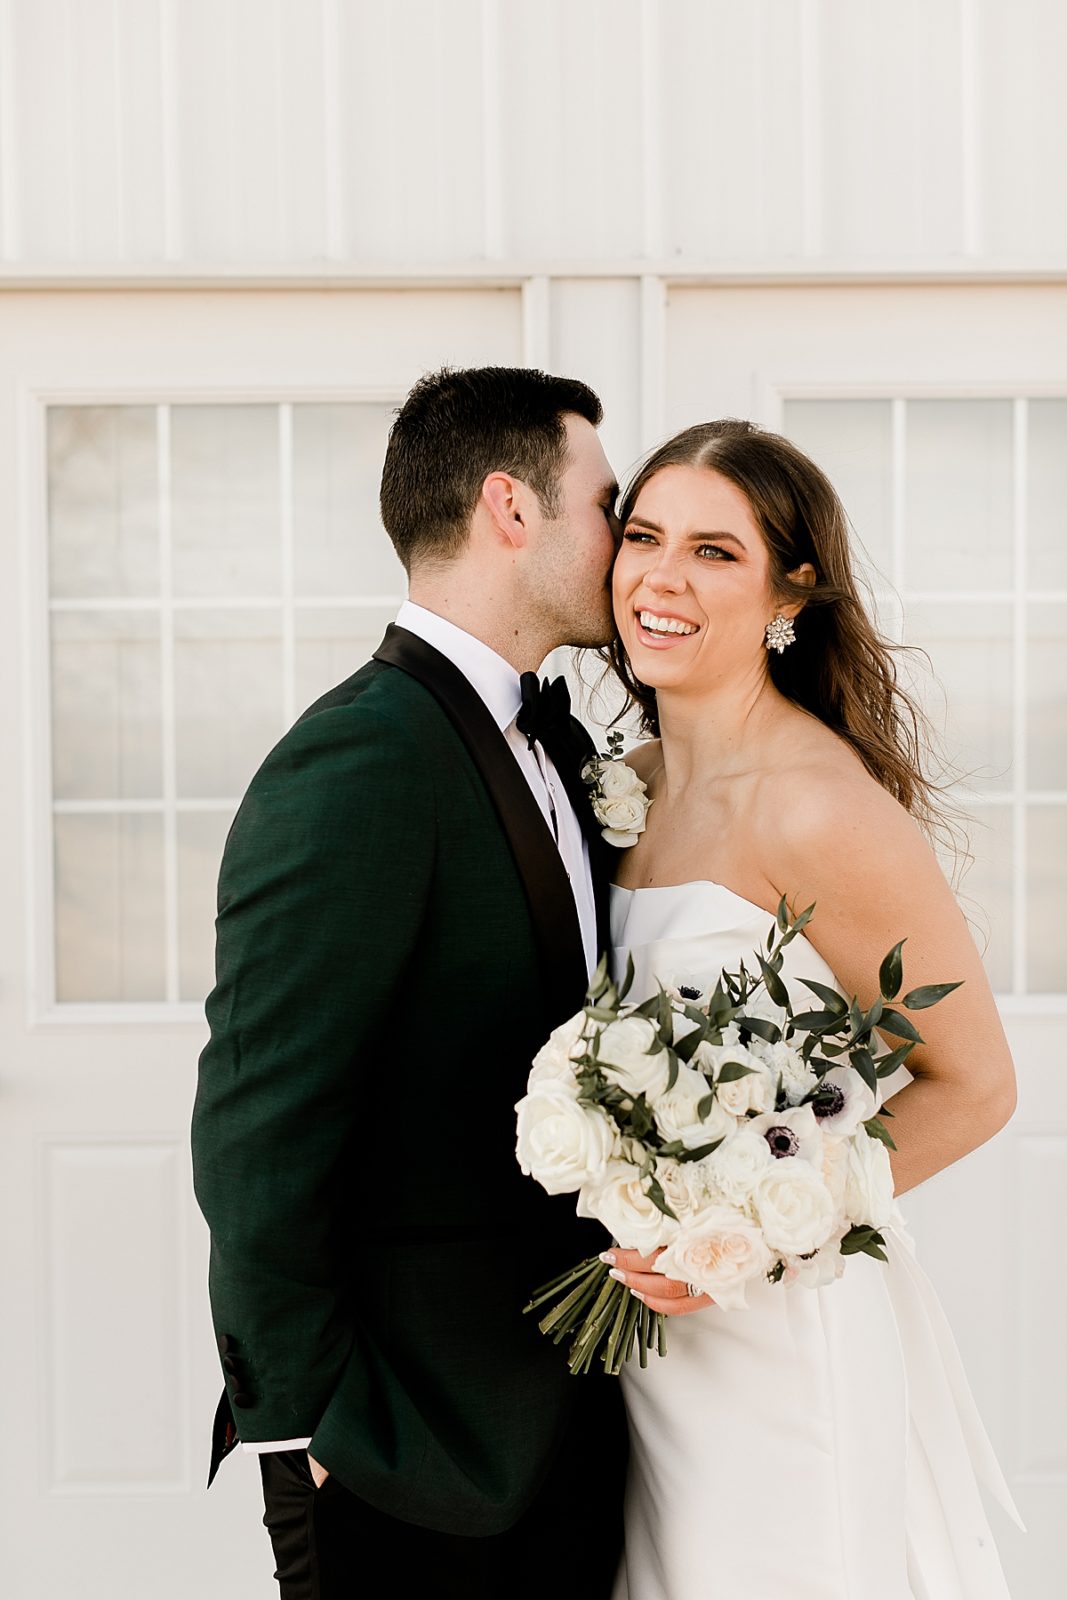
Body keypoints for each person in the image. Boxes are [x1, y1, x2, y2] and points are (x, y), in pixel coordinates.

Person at [190, 366, 628, 1598]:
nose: (624, 543)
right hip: (402, 1448)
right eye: (607, 505)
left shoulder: (562, 745)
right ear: (510, 506)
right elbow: (258, 1115)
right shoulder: (361, 755)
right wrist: (308, 1428)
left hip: (565, 1419)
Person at [598, 420, 1022, 1598]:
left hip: (780, 1326)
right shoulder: (623, 787)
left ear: (791, 589)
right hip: (647, 1339)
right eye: (642, 536)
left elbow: (975, 1084)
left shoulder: (815, 806)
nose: (660, 579)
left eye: (713, 552)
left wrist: (755, 1218)